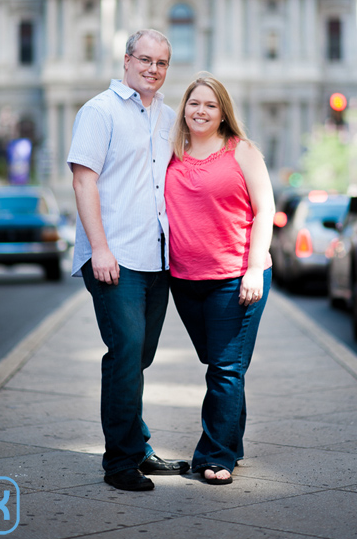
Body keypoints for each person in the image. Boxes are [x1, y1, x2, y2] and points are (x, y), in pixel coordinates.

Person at [68, 29, 190, 491]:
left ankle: (136, 446)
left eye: (161, 62)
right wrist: (99, 248)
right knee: (124, 357)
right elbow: (84, 181)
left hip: (157, 258)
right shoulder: (100, 111)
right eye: (145, 59)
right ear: (126, 60)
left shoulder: (166, 116)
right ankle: (120, 462)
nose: (153, 69)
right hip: (114, 258)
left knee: (139, 356)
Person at [164, 74, 275, 486]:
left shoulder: (242, 151)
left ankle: (215, 455)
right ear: (184, 108)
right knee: (222, 366)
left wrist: (252, 269)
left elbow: (265, 209)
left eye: (210, 105)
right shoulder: (172, 152)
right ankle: (234, 442)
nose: (201, 111)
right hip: (185, 280)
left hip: (235, 278)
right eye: (194, 103)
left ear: (223, 111)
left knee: (225, 370)